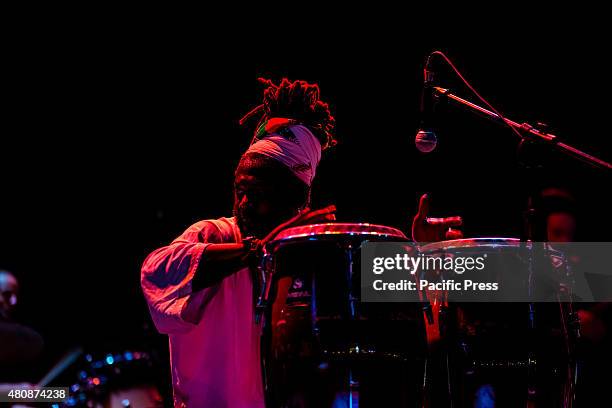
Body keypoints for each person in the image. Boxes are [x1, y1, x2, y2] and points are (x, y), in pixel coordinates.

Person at [141, 78, 462, 407]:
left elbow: (419, 333)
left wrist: (428, 258)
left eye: (262, 193)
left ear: (298, 202)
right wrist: (254, 251)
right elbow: (155, 272)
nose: (246, 202)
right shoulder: (216, 236)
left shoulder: (320, 254)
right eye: (241, 189)